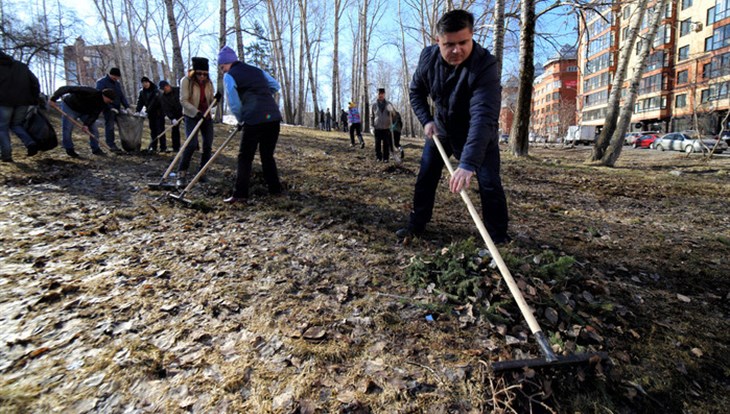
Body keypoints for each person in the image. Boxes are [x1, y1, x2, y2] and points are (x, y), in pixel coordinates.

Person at [397, 9, 509, 244]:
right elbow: (416, 91)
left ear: (472, 36)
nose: (456, 50)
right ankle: (416, 225)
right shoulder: (428, 58)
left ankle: (497, 237)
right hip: (442, 131)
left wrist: (468, 163)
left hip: (479, 135)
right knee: (426, 176)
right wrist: (427, 120)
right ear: (438, 40)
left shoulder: (485, 65)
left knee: (489, 182)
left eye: (463, 42)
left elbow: (483, 115)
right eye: (449, 44)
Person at [217, 46, 283, 204]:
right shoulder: (256, 70)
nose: (222, 71)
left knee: (245, 157)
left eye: (222, 67)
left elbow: (234, 103)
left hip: (254, 119)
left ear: (227, 63)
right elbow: (275, 86)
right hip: (273, 117)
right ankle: (276, 190)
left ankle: (240, 195)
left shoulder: (229, 76)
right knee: (267, 155)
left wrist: (241, 119)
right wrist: (261, 94)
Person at [177, 57, 220, 186]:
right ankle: (181, 174)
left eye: (205, 74)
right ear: (194, 72)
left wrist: (216, 100)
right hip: (191, 116)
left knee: (207, 145)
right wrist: (196, 112)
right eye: (199, 73)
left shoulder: (208, 83)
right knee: (191, 144)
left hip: (206, 117)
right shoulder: (186, 81)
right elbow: (183, 100)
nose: (202, 76)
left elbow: (210, 102)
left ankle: (202, 173)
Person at [49, 86, 116, 158]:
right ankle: (69, 149)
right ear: (105, 96)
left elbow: (94, 115)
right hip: (70, 107)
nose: (111, 101)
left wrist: (86, 125)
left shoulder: (103, 104)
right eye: (110, 99)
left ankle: (96, 149)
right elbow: (66, 88)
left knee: (94, 130)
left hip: (84, 112)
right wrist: (53, 99)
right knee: (67, 129)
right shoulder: (89, 91)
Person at [0, 51, 40, 162]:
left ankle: (6, 155)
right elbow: (35, 82)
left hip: (4, 102)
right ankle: (30, 142)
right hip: (23, 101)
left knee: (2, 128)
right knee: (16, 125)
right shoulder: (21, 66)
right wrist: (35, 99)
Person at [96, 67, 130, 152]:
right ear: (111, 74)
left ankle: (127, 144)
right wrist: (110, 108)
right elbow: (100, 96)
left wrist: (127, 106)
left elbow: (121, 95)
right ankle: (111, 144)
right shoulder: (101, 82)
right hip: (108, 108)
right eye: (115, 76)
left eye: (118, 77)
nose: (116, 78)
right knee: (110, 126)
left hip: (118, 108)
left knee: (123, 125)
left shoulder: (117, 83)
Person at [135, 76, 166, 152]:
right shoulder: (142, 92)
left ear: (149, 82)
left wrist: (146, 111)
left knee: (161, 130)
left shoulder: (156, 91)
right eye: (143, 83)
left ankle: (163, 147)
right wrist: (137, 111)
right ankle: (153, 147)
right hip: (151, 114)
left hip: (159, 113)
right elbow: (140, 102)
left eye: (146, 82)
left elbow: (154, 103)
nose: (145, 84)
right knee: (153, 130)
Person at [370, 88, 396, 162]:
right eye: (379, 94)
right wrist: (371, 127)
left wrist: (392, 110)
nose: (380, 95)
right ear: (377, 95)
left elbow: (394, 115)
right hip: (377, 127)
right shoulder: (374, 105)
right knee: (377, 144)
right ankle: (378, 157)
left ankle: (386, 158)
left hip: (386, 128)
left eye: (382, 94)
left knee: (386, 144)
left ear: (384, 94)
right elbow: (371, 117)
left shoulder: (389, 104)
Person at [158, 80, 183, 152]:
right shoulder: (163, 97)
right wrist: (172, 118)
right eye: (163, 89)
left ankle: (194, 146)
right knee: (175, 130)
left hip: (184, 111)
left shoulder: (178, 90)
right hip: (174, 114)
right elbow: (166, 109)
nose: (164, 90)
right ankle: (176, 147)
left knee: (190, 128)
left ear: (168, 86)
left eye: (165, 88)